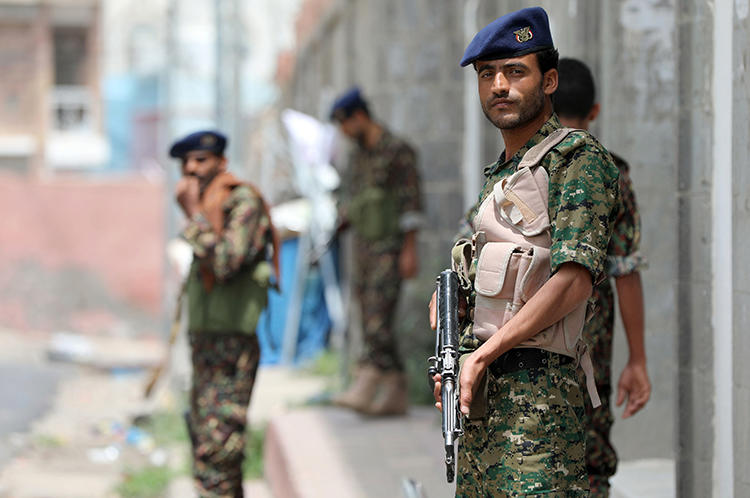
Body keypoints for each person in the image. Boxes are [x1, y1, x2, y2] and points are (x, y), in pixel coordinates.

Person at [429, 7, 620, 495]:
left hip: (540, 415)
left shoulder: (577, 161)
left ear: (549, 80)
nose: (499, 86)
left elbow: (575, 278)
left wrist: (482, 355)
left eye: (516, 72)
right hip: (483, 406)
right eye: (487, 74)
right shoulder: (499, 179)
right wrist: (454, 329)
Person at [555, 57, 651, 497]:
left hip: (522, 348)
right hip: (592, 352)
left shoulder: (523, 168)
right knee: (590, 468)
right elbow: (625, 273)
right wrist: (638, 360)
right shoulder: (612, 173)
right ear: (595, 110)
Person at [170, 130, 278, 498]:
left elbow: (226, 262)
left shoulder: (241, 201)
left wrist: (191, 215)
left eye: (200, 160)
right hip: (206, 344)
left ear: (221, 162)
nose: (190, 168)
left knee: (220, 443)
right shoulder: (208, 205)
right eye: (185, 162)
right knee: (205, 439)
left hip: (232, 347)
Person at [329, 88, 423, 416]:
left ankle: (368, 377)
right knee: (367, 312)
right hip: (362, 248)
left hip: (390, 247)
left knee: (378, 318)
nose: (343, 132)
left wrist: (409, 250)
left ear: (358, 116)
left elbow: (412, 203)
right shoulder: (357, 156)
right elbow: (349, 197)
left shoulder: (397, 151)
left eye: (344, 123)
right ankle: (396, 391)